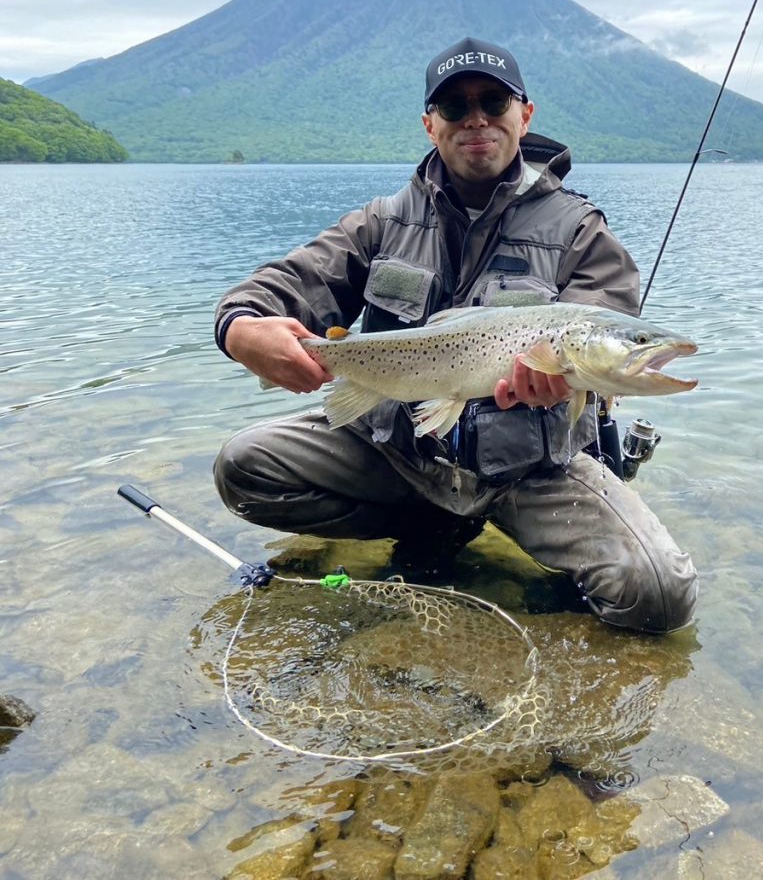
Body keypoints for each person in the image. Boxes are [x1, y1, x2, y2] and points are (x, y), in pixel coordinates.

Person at [213, 38, 697, 633]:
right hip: (398, 452)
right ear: (429, 124)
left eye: (493, 102)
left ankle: (484, 538)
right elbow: (282, 285)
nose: (476, 119)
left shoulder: (580, 231)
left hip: (528, 471)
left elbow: (604, 316)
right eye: (454, 107)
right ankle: (427, 522)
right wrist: (241, 328)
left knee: (659, 596)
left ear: (525, 115)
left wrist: (579, 381)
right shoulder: (382, 221)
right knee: (243, 469)